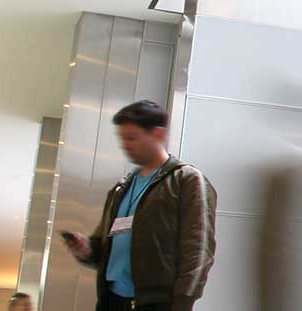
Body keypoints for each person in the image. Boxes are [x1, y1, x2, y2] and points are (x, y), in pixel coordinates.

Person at [59, 100, 219, 311]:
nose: (125, 144)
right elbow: (102, 249)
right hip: (112, 301)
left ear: (158, 134)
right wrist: (86, 250)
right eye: (122, 138)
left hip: (157, 304)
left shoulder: (187, 181)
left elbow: (198, 250)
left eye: (132, 137)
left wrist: (182, 303)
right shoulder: (121, 188)